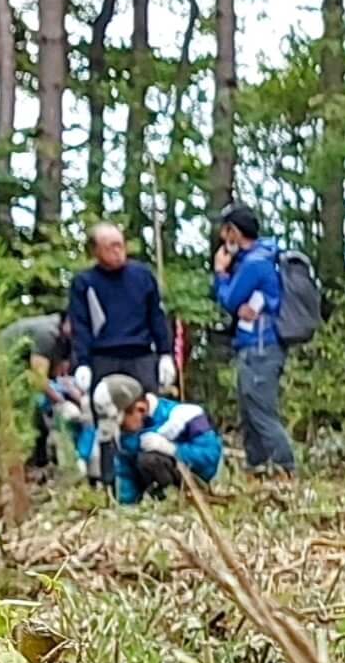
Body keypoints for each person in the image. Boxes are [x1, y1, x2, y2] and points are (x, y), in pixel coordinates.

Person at [211, 205, 297, 475]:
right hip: (256, 345)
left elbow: (230, 300)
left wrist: (221, 274)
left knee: (261, 413)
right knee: (249, 414)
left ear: (234, 231)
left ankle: (285, 470)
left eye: (225, 231)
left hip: (260, 347)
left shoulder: (254, 264)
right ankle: (257, 470)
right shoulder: (263, 257)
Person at [66, 222, 176, 396]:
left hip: (141, 357)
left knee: (147, 413)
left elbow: (157, 317)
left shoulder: (143, 275)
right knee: (107, 415)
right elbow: (81, 326)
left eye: (120, 245)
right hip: (103, 358)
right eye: (111, 247)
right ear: (96, 251)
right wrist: (82, 363)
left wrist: (165, 354)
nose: (118, 251)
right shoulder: (84, 283)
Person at [90, 373, 222, 504]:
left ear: (140, 409)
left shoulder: (186, 415)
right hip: (150, 497)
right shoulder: (126, 436)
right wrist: (126, 505)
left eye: (121, 422)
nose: (120, 428)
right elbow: (126, 474)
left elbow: (211, 458)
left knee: (149, 460)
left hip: (197, 483)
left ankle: (173, 501)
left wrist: (173, 449)